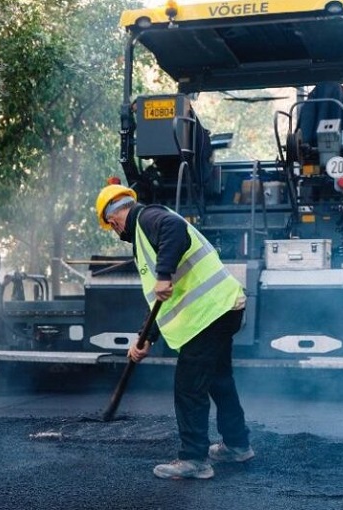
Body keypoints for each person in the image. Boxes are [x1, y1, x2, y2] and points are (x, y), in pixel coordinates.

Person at [95, 183, 254, 480]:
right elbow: (160, 300)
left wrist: (164, 275)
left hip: (209, 314)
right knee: (219, 380)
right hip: (222, 308)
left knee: (189, 386)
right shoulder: (145, 233)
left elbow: (175, 229)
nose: (117, 233)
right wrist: (145, 338)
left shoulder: (149, 218)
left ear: (114, 220)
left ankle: (194, 459)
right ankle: (237, 444)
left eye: (113, 228)